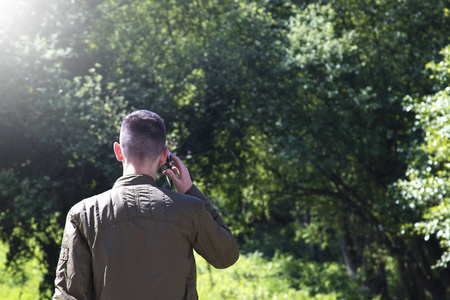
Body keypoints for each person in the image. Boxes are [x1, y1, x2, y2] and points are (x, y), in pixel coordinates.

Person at [53, 110, 239, 300]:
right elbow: (226, 256)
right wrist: (191, 191)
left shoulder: (83, 214)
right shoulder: (189, 210)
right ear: (164, 155)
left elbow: (68, 295)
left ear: (118, 151)